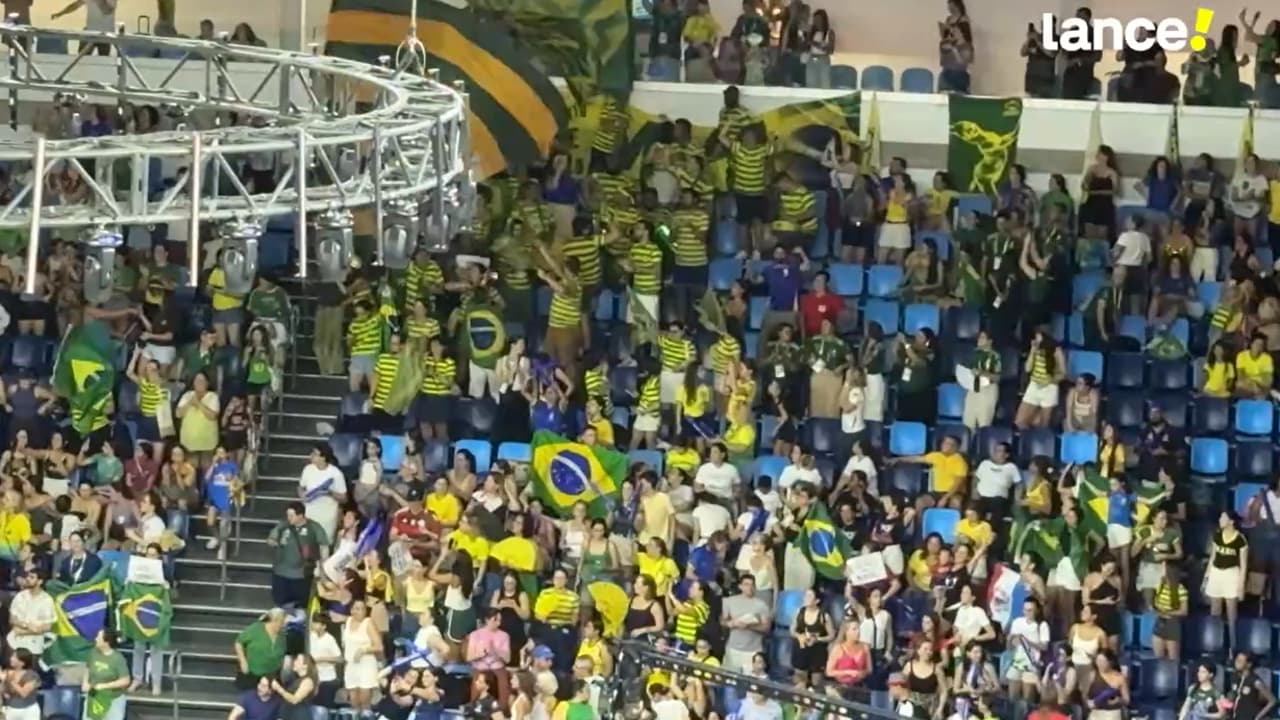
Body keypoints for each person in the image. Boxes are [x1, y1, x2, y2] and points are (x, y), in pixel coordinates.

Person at [82, 629, 131, 720]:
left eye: (98, 637)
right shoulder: (93, 653)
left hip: (113, 700)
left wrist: (104, 686)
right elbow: (88, 667)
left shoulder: (118, 659)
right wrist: (85, 682)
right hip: (94, 697)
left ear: (106, 642)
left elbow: (125, 680)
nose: (95, 639)